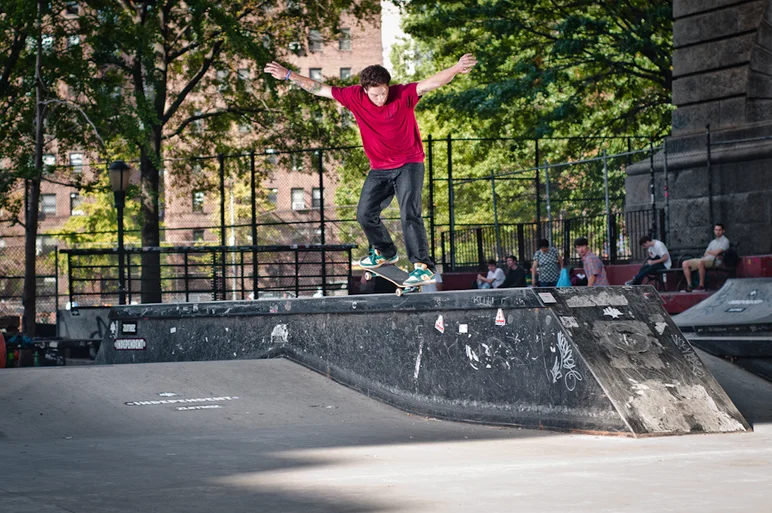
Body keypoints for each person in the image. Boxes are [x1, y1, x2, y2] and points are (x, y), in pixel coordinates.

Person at [264, 54, 477, 287]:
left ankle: (423, 266)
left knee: (409, 212)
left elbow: (432, 82)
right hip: (380, 169)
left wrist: (456, 68)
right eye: (375, 94)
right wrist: (288, 75)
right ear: (364, 90)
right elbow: (318, 88)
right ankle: (386, 252)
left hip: (409, 164)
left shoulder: (403, 94)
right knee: (364, 213)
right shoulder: (353, 96)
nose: (380, 98)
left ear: (388, 86)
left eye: (384, 92)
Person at [681, 223, 730, 292]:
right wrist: (712, 252)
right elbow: (705, 254)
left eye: (719, 230)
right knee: (685, 263)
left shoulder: (725, 241)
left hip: (715, 261)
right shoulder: (712, 242)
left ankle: (701, 286)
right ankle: (690, 286)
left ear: (723, 231)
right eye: (716, 230)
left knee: (700, 262)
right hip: (705, 259)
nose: (717, 232)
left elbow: (717, 253)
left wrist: (711, 252)